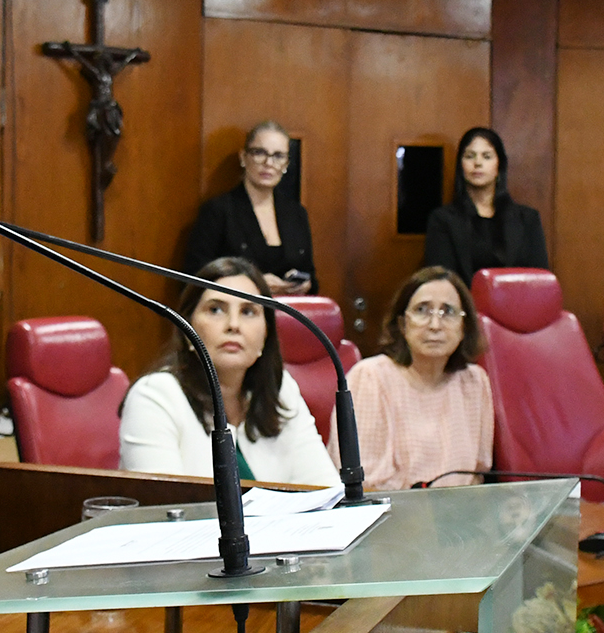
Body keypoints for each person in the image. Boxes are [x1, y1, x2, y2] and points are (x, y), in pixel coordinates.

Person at [119, 257, 339, 485]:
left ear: (266, 336)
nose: (233, 324)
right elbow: (164, 510)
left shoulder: (281, 389)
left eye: (248, 311)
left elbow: (325, 490)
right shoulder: (154, 396)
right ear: (188, 330)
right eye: (215, 309)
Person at [329, 267, 493, 491]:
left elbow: (478, 474)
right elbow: (364, 487)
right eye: (422, 310)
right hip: (390, 517)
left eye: (448, 312)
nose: (435, 325)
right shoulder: (370, 378)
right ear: (403, 324)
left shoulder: (474, 381)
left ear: (464, 327)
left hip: (459, 515)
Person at [184, 121, 315, 296]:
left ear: (286, 164)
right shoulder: (219, 210)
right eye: (259, 153)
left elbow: (312, 278)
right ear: (243, 157)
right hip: (236, 315)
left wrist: (304, 285)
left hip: (288, 315)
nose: (269, 163)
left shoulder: (296, 213)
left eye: (278, 156)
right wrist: (252, 282)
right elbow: (193, 277)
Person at [422, 126, 549, 283]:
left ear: (499, 166)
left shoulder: (528, 219)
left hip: (517, 305)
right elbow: (441, 281)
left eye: (487, 156)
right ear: (460, 165)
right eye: (470, 156)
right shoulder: (442, 220)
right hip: (465, 306)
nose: (477, 163)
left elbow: (540, 282)